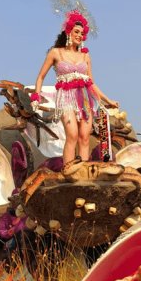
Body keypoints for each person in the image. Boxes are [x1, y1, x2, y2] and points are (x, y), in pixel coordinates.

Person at [33, 10, 119, 165]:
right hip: (66, 99)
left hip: (85, 99)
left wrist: (107, 99)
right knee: (72, 135)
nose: (80, 35)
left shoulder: (85, 56)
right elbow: (40, 76)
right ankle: (68, 171)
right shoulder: (55, 53)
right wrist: (36, 97)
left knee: (84, 137)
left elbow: (91, 82)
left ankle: (83, 172)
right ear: (68, 31)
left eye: (82, 33)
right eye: (76, 31)